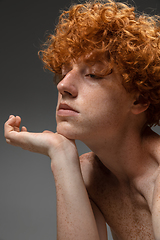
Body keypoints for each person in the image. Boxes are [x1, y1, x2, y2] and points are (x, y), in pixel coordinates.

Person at [4, 0, 160, 239]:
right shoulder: (90, 175)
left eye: (93, 74)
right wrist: (62, 155)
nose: (63, 85)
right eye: (65, 72)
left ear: (139, 100)